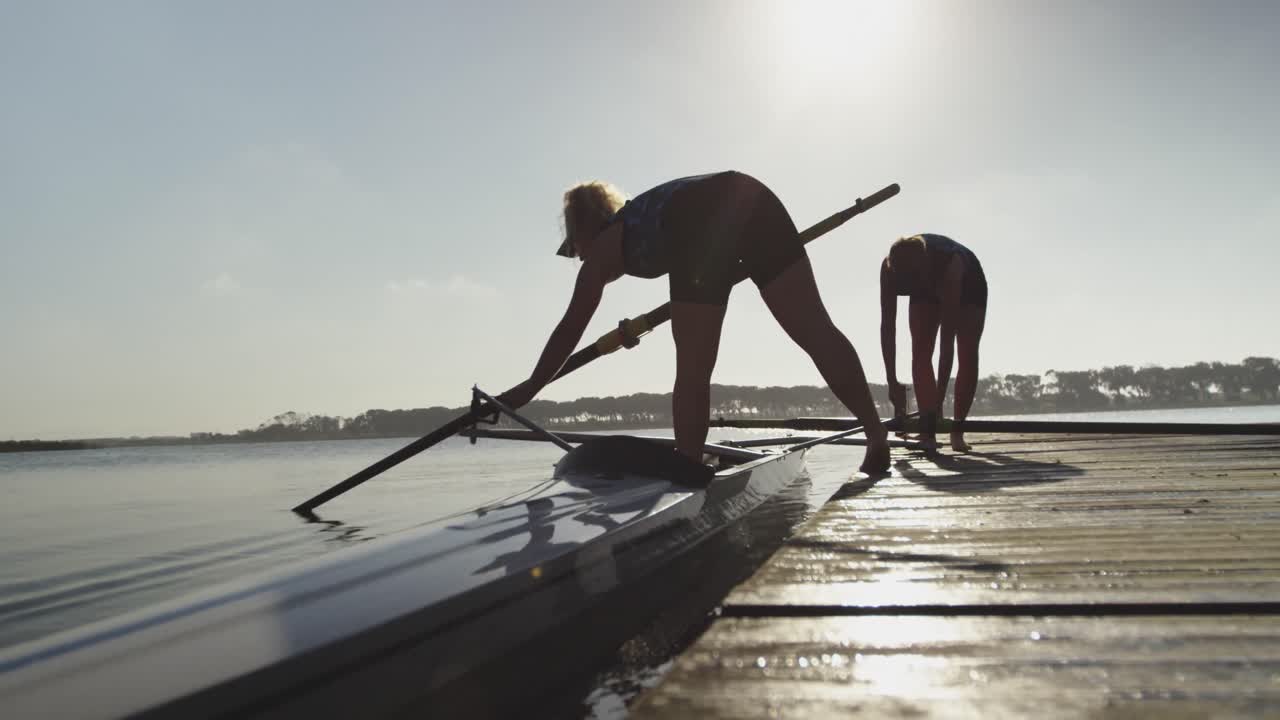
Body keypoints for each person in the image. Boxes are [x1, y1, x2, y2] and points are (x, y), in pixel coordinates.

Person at [498, 170, 891, 474]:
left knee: (692, 366)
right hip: (755, 199)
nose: (579, 259)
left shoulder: (602, 247)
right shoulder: (638, 218)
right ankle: (875, 435)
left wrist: (532, 386)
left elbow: (570, 326)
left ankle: (687, 465)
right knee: (815, 330)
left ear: (585, 229)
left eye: (574, 248)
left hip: (698, 220)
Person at [878, 233, 987, 452]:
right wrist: (892, 382)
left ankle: (957, 431)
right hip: (927, 284)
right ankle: (927, 433)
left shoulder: (950, 266)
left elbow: (947, 345)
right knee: (920, 351)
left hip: (968, 285)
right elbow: (888, 328)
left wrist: (938, 405)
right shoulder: (889, 270)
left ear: (924, 268)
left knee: (966, 351)